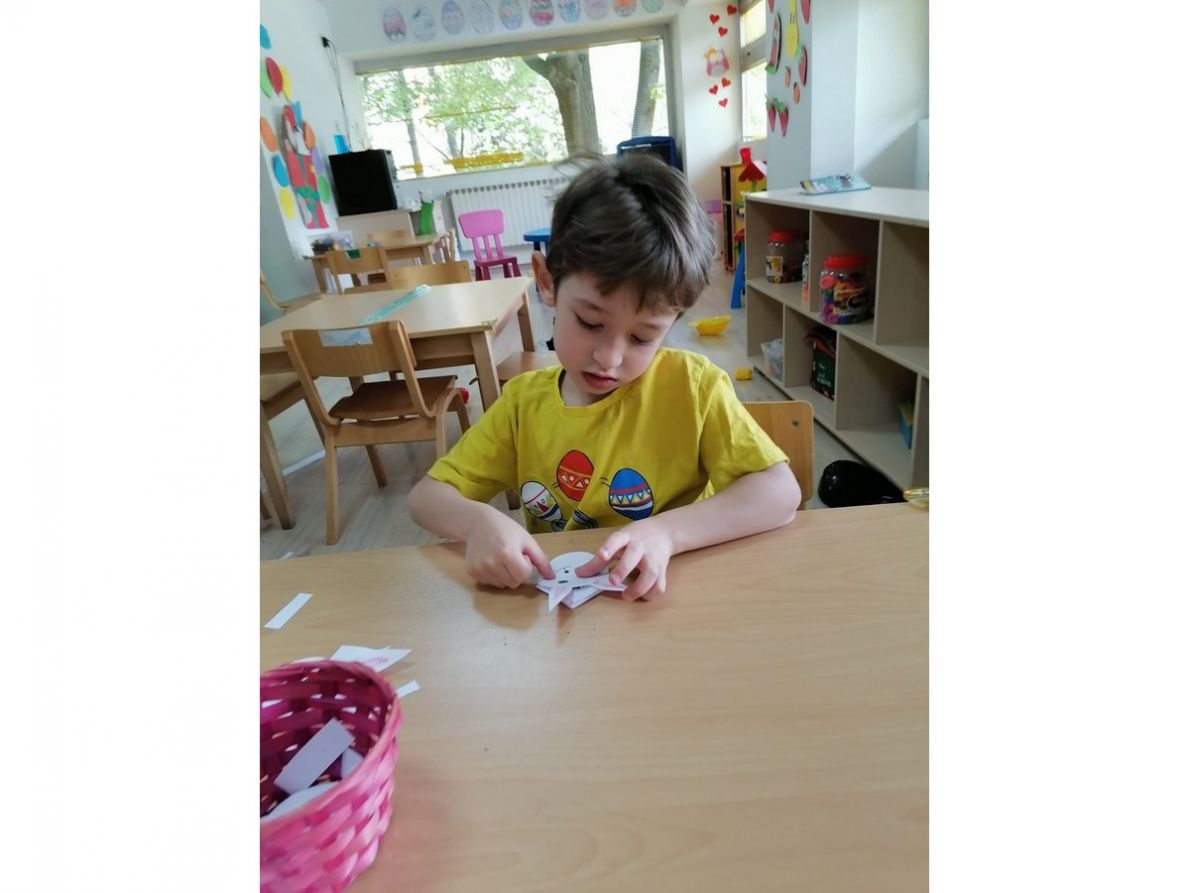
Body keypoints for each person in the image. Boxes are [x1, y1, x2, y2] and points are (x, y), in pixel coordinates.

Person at [409, 154, 800, 600]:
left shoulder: (693, 387)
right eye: (591, 322)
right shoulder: (521, 405)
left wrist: (667, 533)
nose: (609, 358)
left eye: (642, 337)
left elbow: (780, 493)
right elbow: (426, 497)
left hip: (668, 605)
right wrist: (477, 521)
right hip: (562, 616)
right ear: (547, 282)